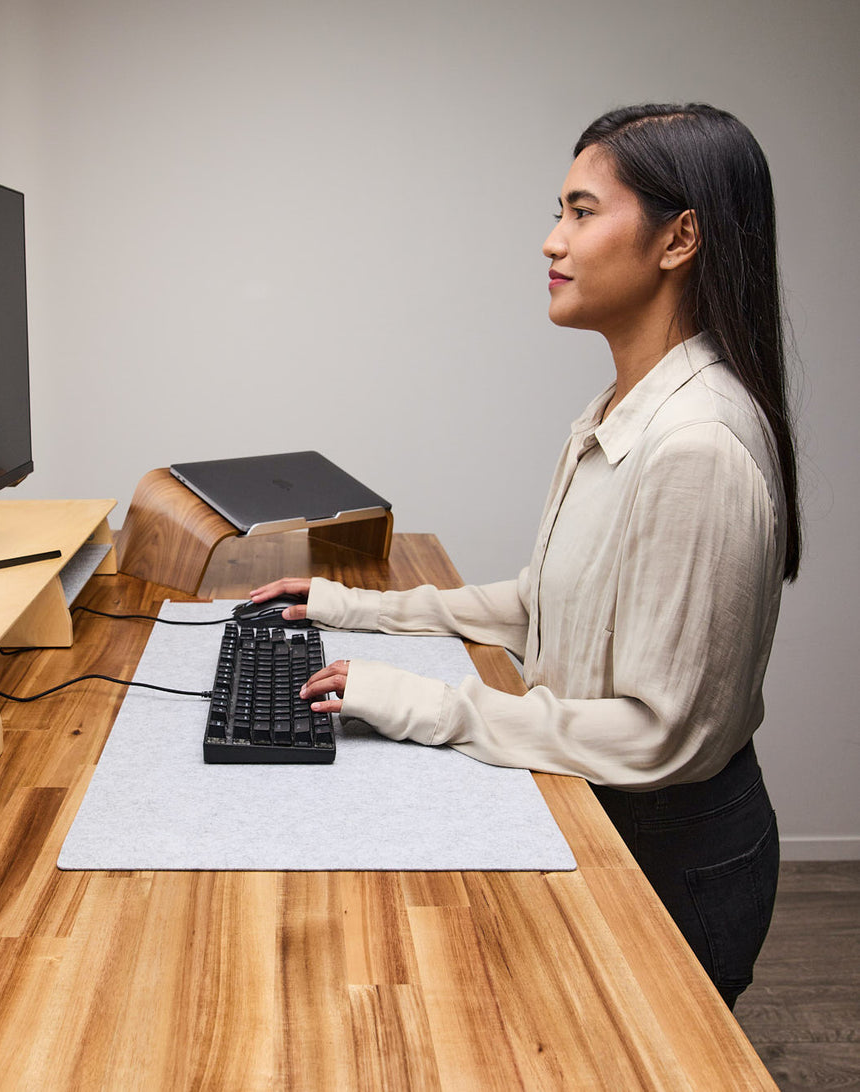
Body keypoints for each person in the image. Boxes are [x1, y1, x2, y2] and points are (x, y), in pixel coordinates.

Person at [250, 103, 801, 1009]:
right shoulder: (621, 410)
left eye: (583, 212)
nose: (553, 241)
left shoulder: (697, 444)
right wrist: (352, 606)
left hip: (670, 855)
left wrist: (425, 705)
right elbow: (548, 602)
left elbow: (659, 736)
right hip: (608, 814)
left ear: (679, 239)